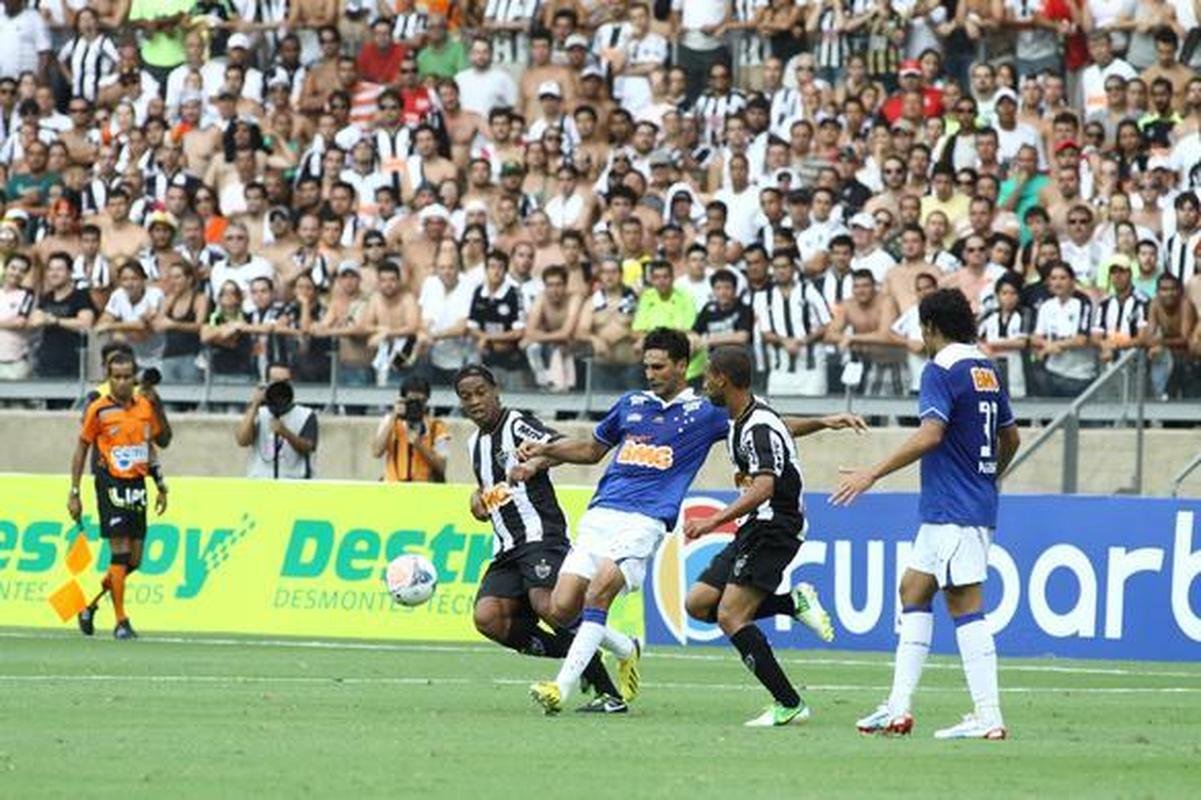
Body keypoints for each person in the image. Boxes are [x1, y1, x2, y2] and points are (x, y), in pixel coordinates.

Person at [832, 288, 1021, 740]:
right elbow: (1010, 438)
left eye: (922, 328)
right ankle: (897, 707)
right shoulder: (986, 369)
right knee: (913, 589)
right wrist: (988, 478)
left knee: (964, 604)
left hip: (953, 508)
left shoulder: (941, 368)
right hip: (960, 505)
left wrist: (872, 472)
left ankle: (989, 715)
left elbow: (931, 433)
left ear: (932, 327)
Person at [455, 364, 626, 714]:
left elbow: (559, 445)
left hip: (540, 539)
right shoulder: (474, 443)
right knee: (488, 618)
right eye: (466, 396)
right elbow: (488, 487)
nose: (474, 401)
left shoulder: (517, 423)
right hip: (506, 548)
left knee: (550, 606)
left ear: (495, 390)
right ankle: (575, 656)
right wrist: (476, 499)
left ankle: (609, 695)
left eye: (480, 392)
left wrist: (537, 463)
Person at [681, 346, 837, 726]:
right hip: (755, 524)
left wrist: (712, 520)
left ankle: (789, 703)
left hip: (775, 525)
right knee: (698, 604)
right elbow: (786, 426)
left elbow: (764, 486)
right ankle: (790, 604)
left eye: (708, 376)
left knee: (731, 615)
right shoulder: (748, 413)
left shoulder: (757, 427)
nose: (704, 383)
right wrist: (826, 420)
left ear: (723, 379)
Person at [68, 351, 169, 640]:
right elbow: (81, 448)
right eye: (116, 377)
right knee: (120, 550)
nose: (122, 382)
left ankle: (89, 606)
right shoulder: (98, 409)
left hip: (137, 485)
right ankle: (121, 621)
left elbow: (151, 446)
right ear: (108, 377)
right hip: (110, 483)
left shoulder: (145, 407)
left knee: (133, 561)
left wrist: (159, 483)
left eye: (127, 377)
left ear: (134, 378)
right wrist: (74, 491)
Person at [235, 363, 318, 480]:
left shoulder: (306, 414)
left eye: (285, 382)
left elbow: (309, 447)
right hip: (260, 480)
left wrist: (286, 433)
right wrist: (254, 405)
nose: (281, 386)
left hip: (294, 481)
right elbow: (242, 441)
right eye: (276, 382)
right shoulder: (258, 412)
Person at [372, 376, 450, 483]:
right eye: (412, 401)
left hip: (423, 489)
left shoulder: (437, 427)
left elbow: (442, 467)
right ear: (403, 400)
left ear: (427, 400)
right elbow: (376, 452)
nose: (416, 406)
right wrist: (394, 415)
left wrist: (419, 446)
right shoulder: (390, 421)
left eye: (421, 401)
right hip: (393, 487)